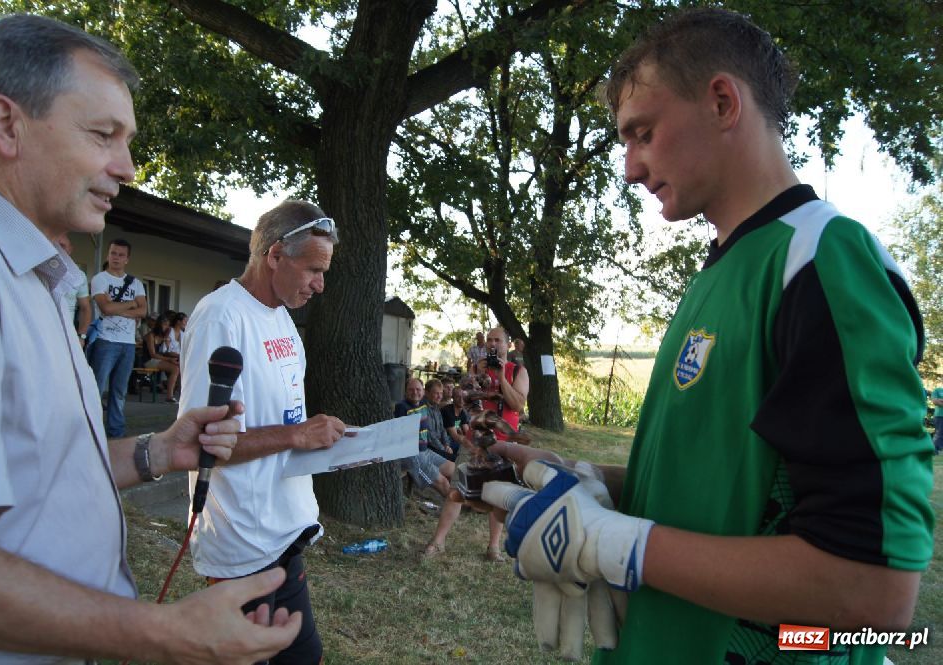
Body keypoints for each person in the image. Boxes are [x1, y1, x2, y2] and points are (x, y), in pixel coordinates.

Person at [479, 9, 934, 664]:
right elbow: (731, 492)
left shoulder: (821, 262)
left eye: (643, 133)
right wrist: (594, 485)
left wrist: (618, 543)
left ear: (722, 101)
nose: (630, 168)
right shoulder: (723, 268)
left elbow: (876, 593)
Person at [0, 14, 302, 664]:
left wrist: (159, 450)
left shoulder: (29, 275)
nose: (129, 167)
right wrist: (165, 633)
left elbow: (39, 470)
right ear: (6, 125)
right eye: (103, 134)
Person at [179, 200, 348, 665]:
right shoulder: (221, 317)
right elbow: (199, 443)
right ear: (274, 255)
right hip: (242, 542)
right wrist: (296, 437)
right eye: (313, 269)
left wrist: (322, 440)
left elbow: (288, 419)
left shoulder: (284, 321)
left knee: (302, 657)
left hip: (286, 529)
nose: (320, 284)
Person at [426, 326, 528, 561]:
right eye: (489, 340)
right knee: (457, 489)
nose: (492, 344)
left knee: (499, 494)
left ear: (507, 345)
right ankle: (437, 542)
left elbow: (518, 405)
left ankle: (493, 548)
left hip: (503, 441)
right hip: (475, 440)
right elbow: (463, 402)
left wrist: (501, 377)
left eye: (497, 341)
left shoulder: (518, 371)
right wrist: (474, 378)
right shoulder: (476, 368)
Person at [89, 237, 146, 436]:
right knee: (96, 387)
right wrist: (131, 305)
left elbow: (143, 311)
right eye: (113, 253)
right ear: (108, 254)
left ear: (127, 259)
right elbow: (105, 307)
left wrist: (118, 308)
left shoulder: (136, 283)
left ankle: (116, 432)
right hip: (105, 341)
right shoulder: (100, 279)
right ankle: (91, 430)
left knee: (119, 391)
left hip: (128, 343)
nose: (116, 258)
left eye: (121, 255)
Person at [396, 377, 454, 499]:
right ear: (405, 391)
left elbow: (438, 403)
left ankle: (463, 502)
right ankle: (453, 510)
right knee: (443, 482)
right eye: (411, 389)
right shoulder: (402, 407)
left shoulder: (423, 404)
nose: (415, 392)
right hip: (412, 454)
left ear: (423, 391)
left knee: (454, 469)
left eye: (418, 389)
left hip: (425, 450)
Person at [55, 233, 92, 347]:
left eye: (63, 246)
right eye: (55, 245)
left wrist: (81, 336)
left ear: (71, 249)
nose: (59, 249)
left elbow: (85, 308)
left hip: (66, 336)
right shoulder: (38, 270)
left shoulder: (79, 276)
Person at [142, 314, 180, 402]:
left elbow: (165, 352)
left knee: (178, 367)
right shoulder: (150, 336)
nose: (167, 327)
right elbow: (153, 354)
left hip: (159, 360)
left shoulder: (163, 337)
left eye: (168, 325)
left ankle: (172, 391)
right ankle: (169, 396)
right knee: (175, 369)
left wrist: (167, 344)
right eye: (165, 324)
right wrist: (169, 359)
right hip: (149, 361)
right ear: (159, 324)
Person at [931, 385, 943, 454]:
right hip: (940, 415)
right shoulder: (937, 390)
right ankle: (933, 450)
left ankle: (939, 449)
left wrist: (941, 400)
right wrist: (938, 401)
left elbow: (938, 401)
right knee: (939, 434)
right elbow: (935, 401)